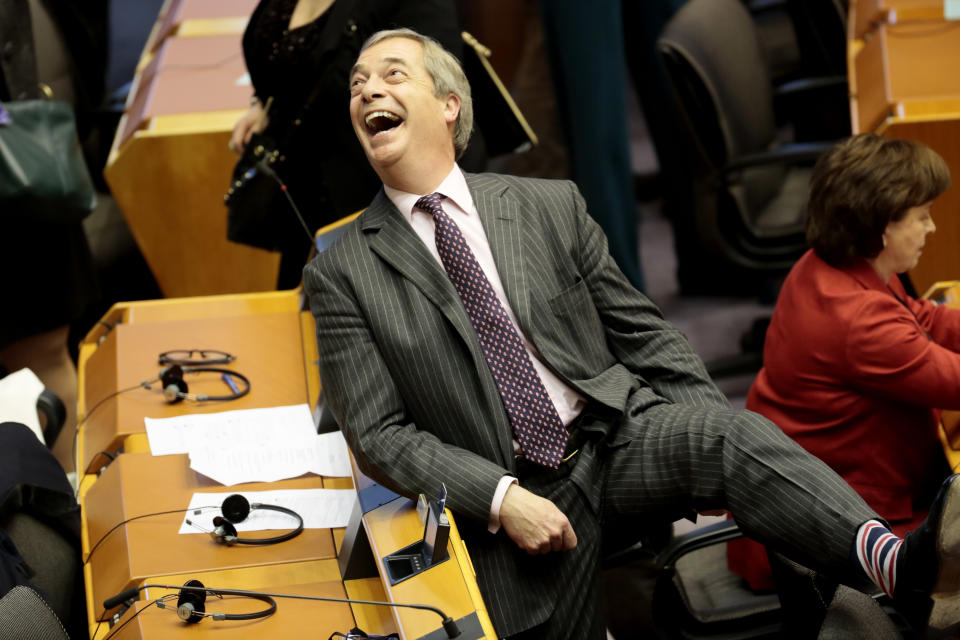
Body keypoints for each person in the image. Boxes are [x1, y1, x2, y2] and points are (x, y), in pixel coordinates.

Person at [303, 30, 960, 638]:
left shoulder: (546, 205)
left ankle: (896, 568)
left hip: (614, 440)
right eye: (358, 84)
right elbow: (380, 435)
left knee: (730, 433)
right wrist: (502, 500)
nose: (367, 90)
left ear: (449, 105)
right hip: (509, 493)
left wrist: (700, 448)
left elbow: (645, 332)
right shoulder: (343, 271)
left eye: (392, 75)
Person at [728, 134, 956, 592]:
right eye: (922, 217)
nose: (932, 228)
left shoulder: (829, 264)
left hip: (800, 506)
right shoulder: (860, 321)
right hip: (845, 532)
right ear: (882, 228)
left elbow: (920, 316)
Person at [230, 0, 485, 289]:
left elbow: (432, 97)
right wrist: (263, 103)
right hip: (308, 202)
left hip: (382, 204)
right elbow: (282, 57)